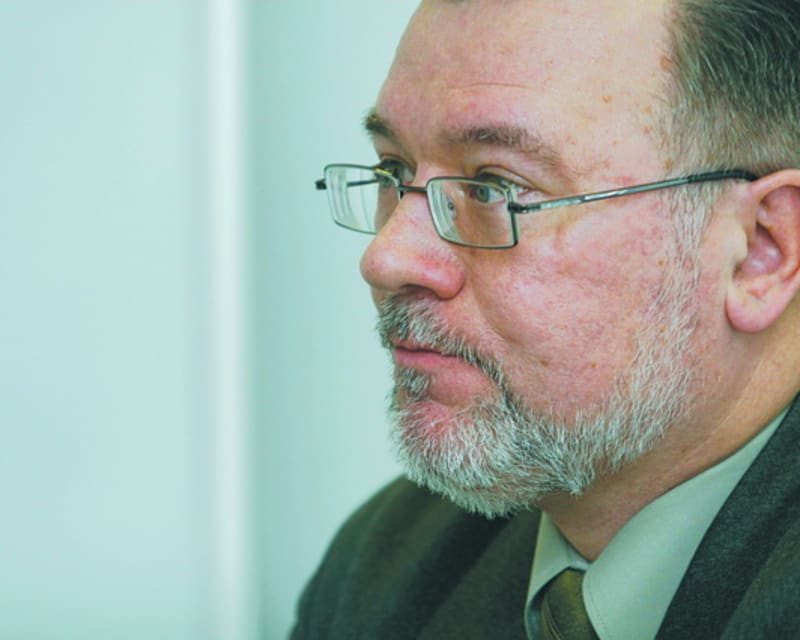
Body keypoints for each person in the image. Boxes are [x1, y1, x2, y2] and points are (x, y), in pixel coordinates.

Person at [295, 1, 800, 638]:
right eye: (393, 170)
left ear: (759, 252)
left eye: (493, 188)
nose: (386, 258)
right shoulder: (387, 566)